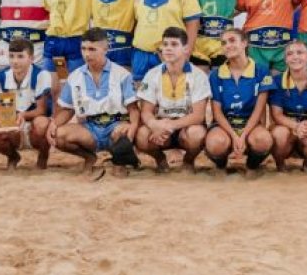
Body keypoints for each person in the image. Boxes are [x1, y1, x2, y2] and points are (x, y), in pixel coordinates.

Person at [48, 28, 140, 177]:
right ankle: (90, 157)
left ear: (105, 49)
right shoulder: (75, 76)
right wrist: (54, 124)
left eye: (92, 49)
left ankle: (120, 163)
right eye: (83, 48)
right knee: (58, 135)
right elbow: (68, 109)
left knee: (122, 133)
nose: (86, 54)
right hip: (90, 128)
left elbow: (133, 108)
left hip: (116, 125)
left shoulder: (122, 74)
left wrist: (132, 128)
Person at [135, 26, 210, 171]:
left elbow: (198, 116)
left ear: (186, 49)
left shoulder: (199, 76)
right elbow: (146, 111)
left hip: (186, 127)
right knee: (142, 135)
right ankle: (160, 159)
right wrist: (154, 125)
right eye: (165, 44)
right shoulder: (152, 74)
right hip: (161, 128)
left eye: (174, 44)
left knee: (196, 134)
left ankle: (188, 161)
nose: (168, 48)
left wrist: (170, 125)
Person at [205, 29, 276, 171]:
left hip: (251, 123)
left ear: (244, 43)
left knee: (263, 140)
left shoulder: (262, 71)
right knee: (216, 143)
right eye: (224, 43)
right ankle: (221, 167)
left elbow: (259, 110)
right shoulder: (215, 74)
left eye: (232, 40)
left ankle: (252, 167)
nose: (227, 45)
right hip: (224, 125)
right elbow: (217, 113)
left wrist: (243, 136)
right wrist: (234, 136)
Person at [0, 38, 52, 170]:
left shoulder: (41, 75)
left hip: (34, 121)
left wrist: (22, 115)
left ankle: (43, 155)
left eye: (20, 56)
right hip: (11, 121)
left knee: (42, 123)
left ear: (31, 58)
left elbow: (41, 110)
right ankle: (12, 156)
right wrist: (1, 125)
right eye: (12, 56)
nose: (15, 61)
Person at [131, 0, 202, 82]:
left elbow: (193, 24)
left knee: (169, 93)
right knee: (140, 93)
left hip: (169, 54)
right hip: (140, 55)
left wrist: (186, 53)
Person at [269, 39, 307, 172]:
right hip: (286, 127)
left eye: (300, 52)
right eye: (290, 54)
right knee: (279, 134)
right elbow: (276, 115)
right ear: (285, 59)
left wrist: (306, 129)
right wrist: (296, 127)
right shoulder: (277, 81)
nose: (295, 57)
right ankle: (280, 164)